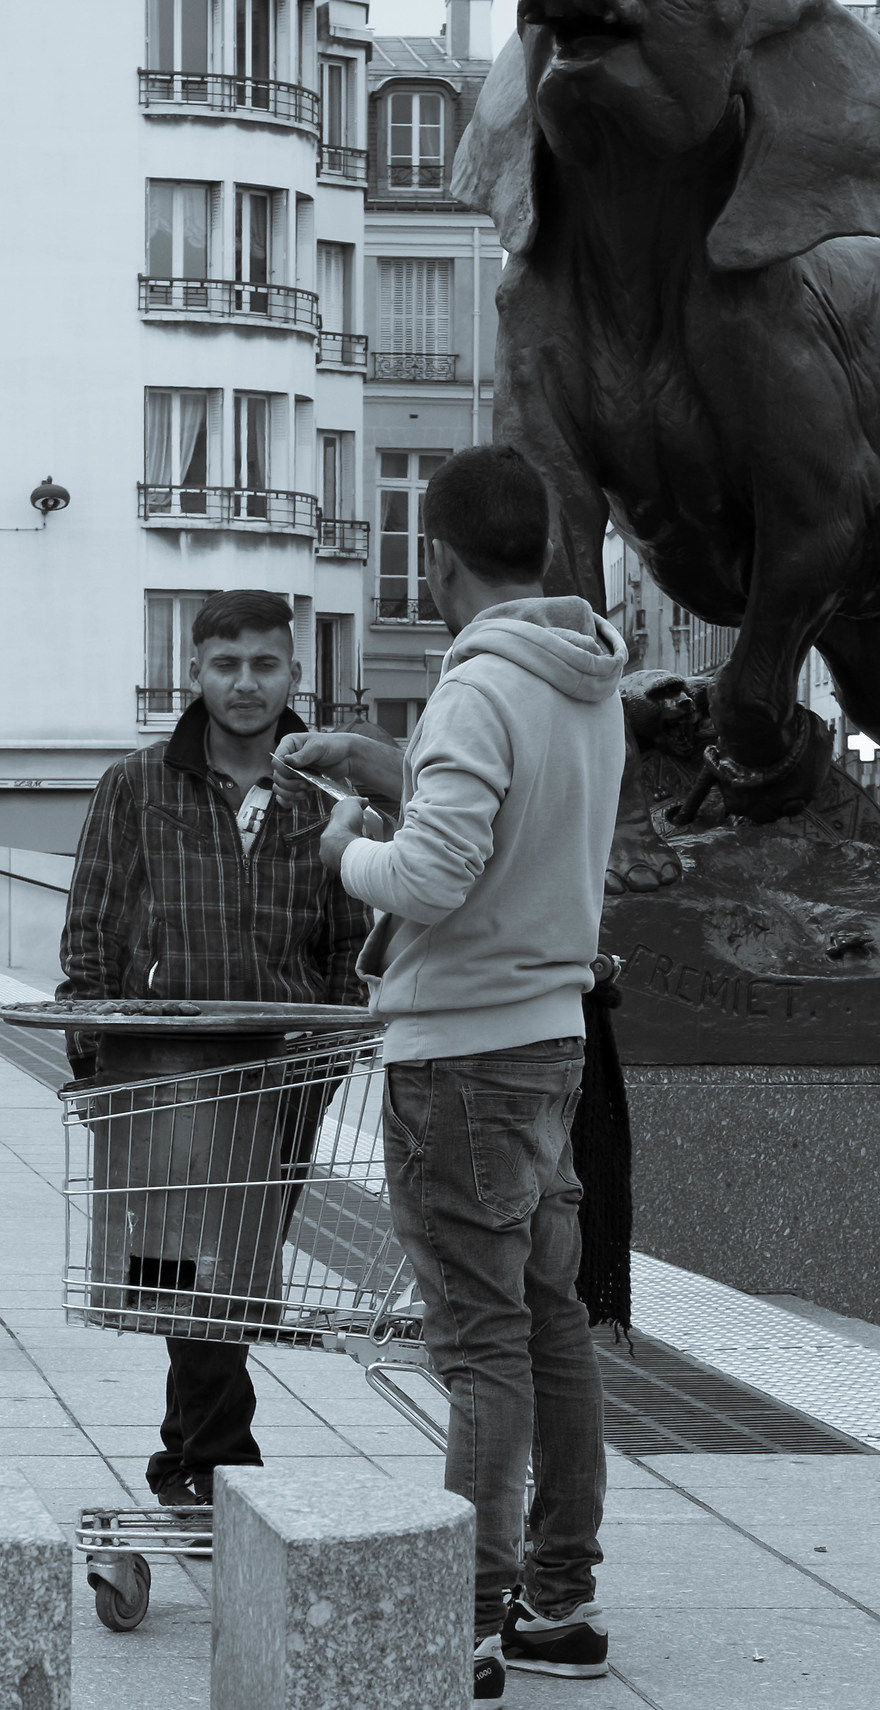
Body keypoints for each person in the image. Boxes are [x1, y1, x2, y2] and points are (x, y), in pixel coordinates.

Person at [286, 445, 624, 1700]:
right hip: (549, 1038)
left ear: (435, 558)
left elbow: (430, 880)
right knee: (551, 1325)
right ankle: (560, 1601)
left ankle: (470, 1609)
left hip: (464, 1053)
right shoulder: (587, 678)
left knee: (479, 1339)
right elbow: (524, 832)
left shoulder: (479, 687)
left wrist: (342, 852)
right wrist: (402, 771)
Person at [57, 589, 371, 1517]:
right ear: (194, 671)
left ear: (294, 674)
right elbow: (94, 927)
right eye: (226, 664)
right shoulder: (138, 782)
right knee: (186, 1270)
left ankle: (184, 1462)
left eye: (265, 665)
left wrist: (333, 1045)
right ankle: (221, 1464)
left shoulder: (323, 798)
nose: (246, 683)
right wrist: (92, 1053)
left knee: (227, 1273)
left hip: (282, 1068)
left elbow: (349, 939)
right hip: (169, 1064)